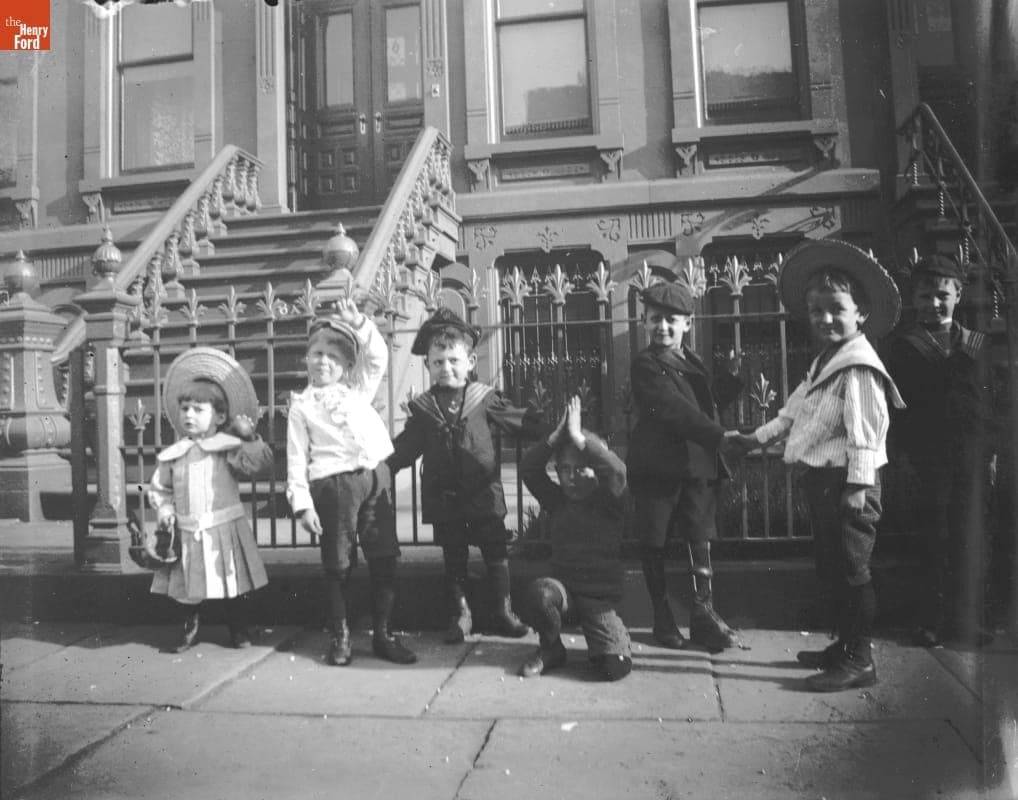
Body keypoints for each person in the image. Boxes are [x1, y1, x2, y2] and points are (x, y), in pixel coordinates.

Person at [727, 239, 904, 692]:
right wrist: (756, 438)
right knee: (832, 566)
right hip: (823, 481)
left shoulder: (859, 367)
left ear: (860, 313)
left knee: (852, 570)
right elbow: (794, 411)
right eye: (816, 310)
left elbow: (868, 433)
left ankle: (861, 659)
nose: (825, 319)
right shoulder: (826, 362)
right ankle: (844, 647)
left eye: (836, 310)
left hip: (848, 484)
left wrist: (858, 487)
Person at [389, 307, 538, 644]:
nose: (447, 368)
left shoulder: (484, 399)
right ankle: (461, 615)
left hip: (483, 495)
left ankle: (504, 612)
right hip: (444, 498)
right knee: (453, 557)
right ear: (428, 365)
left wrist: (552, 429)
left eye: (454, 360)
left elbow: (520, 422)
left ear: (470, 362)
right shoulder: (424, 408)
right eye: (439, 362)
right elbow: (405, 449)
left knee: (495, 553)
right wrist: (379, 469)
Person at [286, 298, 417, 666]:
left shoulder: (357, 390)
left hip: (376, 477)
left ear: (345, 366)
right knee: (338, 562)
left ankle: (383, 634)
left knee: (384, 555)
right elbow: (296, 459)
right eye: (316, 353)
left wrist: (359, 322)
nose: (323, 361)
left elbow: (377, 357)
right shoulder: (301, 406)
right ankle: (341, 635)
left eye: (332, 356)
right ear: (306, 358)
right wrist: (302, 504)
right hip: (335, 488)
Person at [883, 254, 996, 647]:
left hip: (972, 455)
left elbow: (991, 403)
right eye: (926, 295)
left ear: (958, 295)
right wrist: (900, 456)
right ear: (913, 298)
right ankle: (931, 619)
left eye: (942, 294)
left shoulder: (977, 345)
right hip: (927, 457)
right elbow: (896, 407)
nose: (934, 303)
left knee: (970, 535)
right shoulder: (904, 348)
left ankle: (968, 620)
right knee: (933, 537)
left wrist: (991, 450)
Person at [626, 281, 742, 653]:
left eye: (671, 320)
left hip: (694, 466)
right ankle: (662, 618)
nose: (662, 327)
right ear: (644, 323)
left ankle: (702, 615)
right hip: (657, 468)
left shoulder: (691, 361)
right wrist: (719, 436)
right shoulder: (646, 363)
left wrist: (730, 382)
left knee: (699, 538)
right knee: (655, 541)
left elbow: (701, 407)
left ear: (687, 323)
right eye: (654, 319)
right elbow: (672, 408)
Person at [148, 346, 272, 653]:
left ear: (219, 416)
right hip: (188, 529)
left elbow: (260, 464)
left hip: (223, 528)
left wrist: (249, 437)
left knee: (232, 580)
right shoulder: (174, 455)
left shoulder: (227, 446)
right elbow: (160, 489)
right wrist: (164, 510)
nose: (189, 415)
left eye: (198, 409)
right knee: (186, 585)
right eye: (185, 408)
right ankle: (189, 626)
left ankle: (238, 628)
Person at [516, 396, 633, 682]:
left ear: (596, 468)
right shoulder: (557, 500)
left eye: (580, 468)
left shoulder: (610, 500)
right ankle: (551, 649)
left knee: (613, 668)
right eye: (564, 469)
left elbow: (617, 470)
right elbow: (528, 469)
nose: (570, 477)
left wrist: (581, 438)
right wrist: (555, 439)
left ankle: (608, 638)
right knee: (540, 593)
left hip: (597, 600)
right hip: (564, 595)